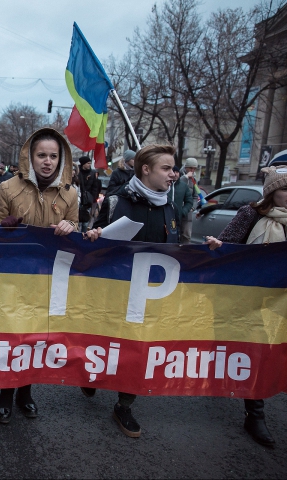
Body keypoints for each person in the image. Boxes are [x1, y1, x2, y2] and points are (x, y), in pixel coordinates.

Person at [84, 144, 180, 439]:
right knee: (107, 341)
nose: (173, 174)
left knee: (139, 348)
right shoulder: (116, 201)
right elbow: (93, 242)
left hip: (149, 295)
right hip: (114, 293)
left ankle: (124, 405)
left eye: (173, 168)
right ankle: (91, 372)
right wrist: (93, 236)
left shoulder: (170, 207)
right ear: (146, 169)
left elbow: (177, 250)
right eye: (166, 168)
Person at [204, 165, 287, 448]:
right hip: (251, 298)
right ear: (272, 191)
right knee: (255, 350)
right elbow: (229, 244)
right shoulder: (251, 214)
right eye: (286, 188)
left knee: (272, 351)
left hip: (284, 301)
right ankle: (255, 415)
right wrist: (217, 244)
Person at [0, 127, 78, 425]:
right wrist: (2, 226)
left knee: (37, 338)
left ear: (61, 160)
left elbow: (75, 229)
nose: (47, 161)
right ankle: (5, 393)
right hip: (13, 279)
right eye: (41, 155)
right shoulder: (7, 188)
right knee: (13, 337)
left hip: (49, 281)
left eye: (54, 156)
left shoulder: (71, 194)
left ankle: (25, 392)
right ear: (30, 157)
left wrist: (71, 227)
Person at [179, 157, 201, 244]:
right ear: (186, 167)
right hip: (178, 208)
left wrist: (192, 207)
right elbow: (177, 187)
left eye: (194, 168)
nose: (192, 170)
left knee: (186, 235)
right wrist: (185, 177)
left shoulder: (194, 180)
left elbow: (195, 196)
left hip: (188, 211)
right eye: (190, 168)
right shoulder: (179, 175)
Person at [77, 156, 100, 232]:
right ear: (83, 164)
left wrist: (92, 198)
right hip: (78, 199)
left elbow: (95, 187)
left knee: (86, 223)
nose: (89, 165)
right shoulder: (77, 172)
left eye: (90, 163)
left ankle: (84, 236)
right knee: (77, 221)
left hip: (88, 201)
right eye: (88, 163)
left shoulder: (93, 173)